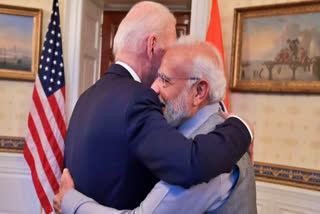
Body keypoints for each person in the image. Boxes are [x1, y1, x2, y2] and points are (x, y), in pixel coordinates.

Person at [58, 1, 253, 213]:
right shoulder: (217, 148)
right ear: (152, 45)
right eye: (161, 74)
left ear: (199, 91)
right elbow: (190, 162)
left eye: (165, 79)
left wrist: (70, 201)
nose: (155, 88)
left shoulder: (86, 97)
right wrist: (242, 129)